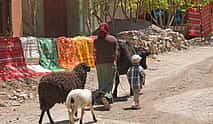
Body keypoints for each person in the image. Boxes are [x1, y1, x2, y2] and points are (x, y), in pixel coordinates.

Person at [94, 23, 118, 110]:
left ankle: (102, 96)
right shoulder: (112, 39)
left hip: (99, 64)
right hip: (109, 63)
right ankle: (107, 97)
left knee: (102, 82)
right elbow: (115, 53)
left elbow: (95, 52)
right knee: (109, 82)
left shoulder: (96, 41)